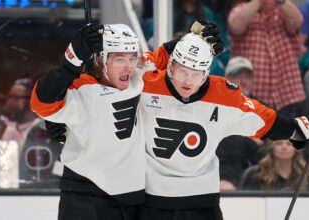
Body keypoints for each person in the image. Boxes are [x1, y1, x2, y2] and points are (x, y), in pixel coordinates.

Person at [46, 28, 309, 220]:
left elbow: (270, 122)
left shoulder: (225, 95)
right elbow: (103, 83)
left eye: (197, 73)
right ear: (170, 66)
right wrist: (61, 118)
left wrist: (307, 129)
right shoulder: (143, 82)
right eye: (182, 71)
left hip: (202, 205)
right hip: (151, 204)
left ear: (208, 72)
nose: (188, 81)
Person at [31, 21, 222, 220]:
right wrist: (71, 61)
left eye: (132, 57)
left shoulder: (138, 75)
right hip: (87, 198)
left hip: (131, 203)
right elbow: (41, 102)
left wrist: (199, 37)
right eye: (120, 59)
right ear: (101, 59)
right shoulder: (82, 88)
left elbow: (164, 56)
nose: (128, 66)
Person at [228, 0, 305, 118]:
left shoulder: (285, 9)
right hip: (254, 94)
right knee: (254, 136)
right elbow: (235, 25)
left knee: (287, 135)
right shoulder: (242, 9)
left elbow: (297, 21)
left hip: (287, 94)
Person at [240, 140, 309, 191]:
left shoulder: (307, 174)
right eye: (279, 143)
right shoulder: (254, 174)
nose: (284, 147)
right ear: (271, 147)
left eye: (289, 144)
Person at [0, 78, 41, 151]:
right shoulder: (6, 126)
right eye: (9, 97)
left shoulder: (41, 128)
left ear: (30, 100)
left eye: (15, 97)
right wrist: (3, 123)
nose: (9, 102)